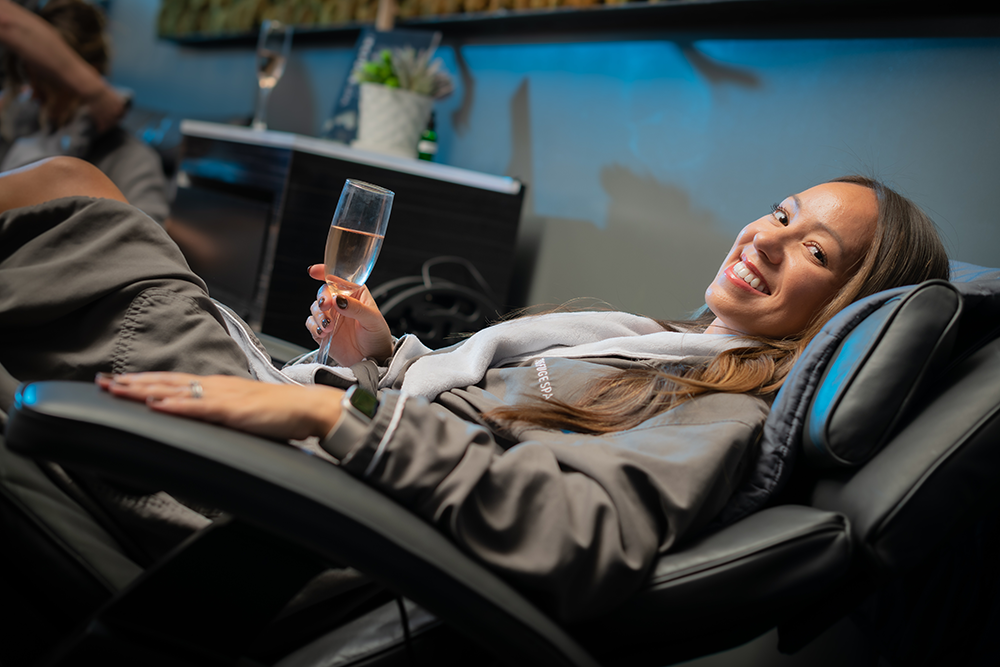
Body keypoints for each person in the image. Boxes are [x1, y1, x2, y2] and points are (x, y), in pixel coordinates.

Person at [0, 157, 949, 621]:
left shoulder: (726, 412)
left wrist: (335, 410)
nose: (767, 238)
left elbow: (585, 529)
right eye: (782, 212)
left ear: (844, 306)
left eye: (814, 249)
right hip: (308, 471)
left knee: (80, 202)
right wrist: (377, 359)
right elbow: (480, 418)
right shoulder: (663, 348)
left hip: (290, 517)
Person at [0, 0, 169, 223]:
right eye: (30, 80)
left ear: (87, 74)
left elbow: (148, 243)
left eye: (45, 81)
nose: (34, 95)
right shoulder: (22, 136)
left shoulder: (131, 161)